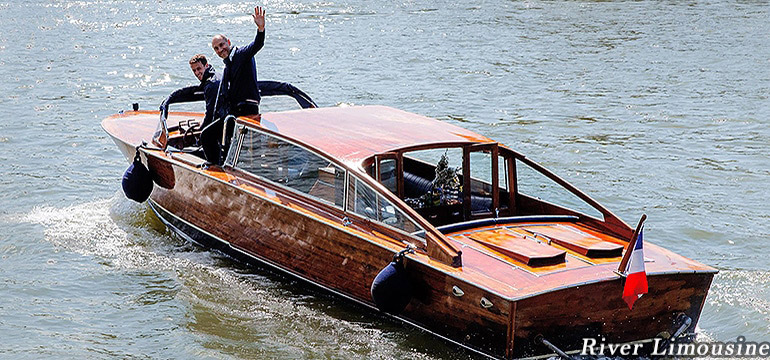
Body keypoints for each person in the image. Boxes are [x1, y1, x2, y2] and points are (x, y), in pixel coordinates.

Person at [211, 5, 266, 116]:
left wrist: (261, 29)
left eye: (222, 45)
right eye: (216, 48)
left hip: (247, 107)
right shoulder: (228, 64)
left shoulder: (241, 53)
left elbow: (257, 45)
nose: (220, 50)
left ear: (229, 42)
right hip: (235, 109)